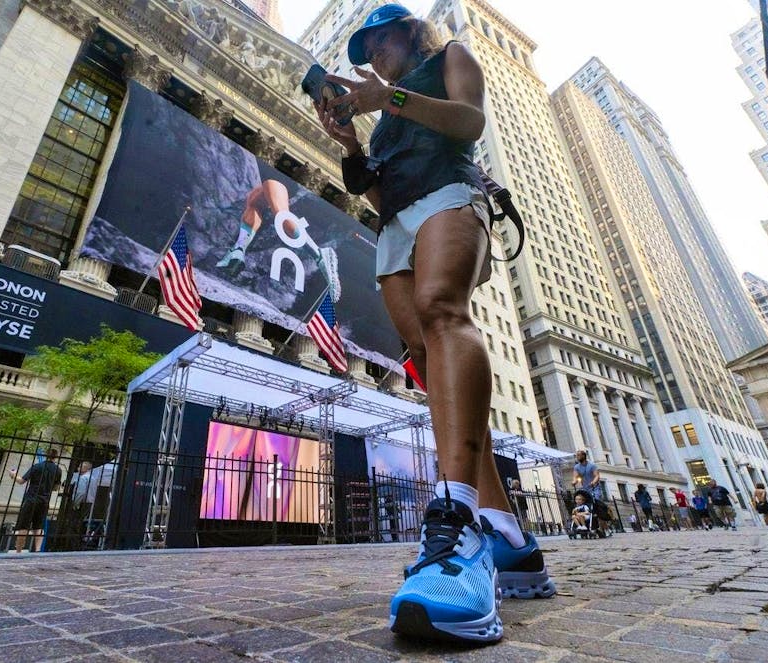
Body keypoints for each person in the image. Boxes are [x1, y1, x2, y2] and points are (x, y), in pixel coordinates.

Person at [314, 3, 554, 643]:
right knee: (424, 360)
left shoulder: (448, 58)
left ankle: (457, 523)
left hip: (451, 196)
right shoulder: (382, 108)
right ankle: (509, 537)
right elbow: (376, 189)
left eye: (379, 44)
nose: (372, 58)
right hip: (394, 223)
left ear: (404, 32)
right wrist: (350, 145)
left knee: (445, 310)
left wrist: (388, 97)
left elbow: (469, 121)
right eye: (363, 54)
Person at [215, 178, 341, 301]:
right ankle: (238, 249)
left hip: (284, 175)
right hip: (272, 178)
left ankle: (319, 254)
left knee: (281, 216)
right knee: (254, 203)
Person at [9, 448, 62, 554]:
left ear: (46, 455)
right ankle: (37, 550)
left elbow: (21, 481)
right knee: (39, 526)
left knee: (24, 525)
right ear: (56, 457)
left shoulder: (37, 467)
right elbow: (56, 488)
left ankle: (18, 550)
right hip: (44, 501)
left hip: (31, 499)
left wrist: (13, 475)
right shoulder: (58, 470)